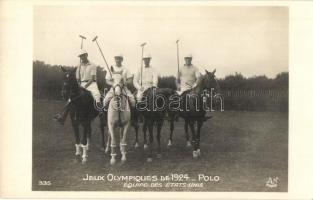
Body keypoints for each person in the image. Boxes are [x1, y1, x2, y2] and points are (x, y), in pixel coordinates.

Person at [54, 49, 102, 124]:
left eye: (83, 55)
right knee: (71, 98)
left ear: (86, 55)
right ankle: (63, 116)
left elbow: (92, 78)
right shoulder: (79, 66)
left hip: (92, 83)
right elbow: (77, 78)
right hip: (82, 83)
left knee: (97, 95)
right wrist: (79, 84)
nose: (82, 57)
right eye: (80, 56)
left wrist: (85, 86)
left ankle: (101, 113)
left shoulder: (93, 65)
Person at [176, 54, 212, 120]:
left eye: (189, 58)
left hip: (193, 88)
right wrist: (178, 86)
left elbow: (198, 77)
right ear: (185, 59)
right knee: (176, 99)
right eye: (186, 58)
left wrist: (195, 85)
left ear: (191, 59)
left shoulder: (195, 68)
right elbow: (177, 79)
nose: (188, 60)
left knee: (203, 97)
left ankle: (202, 113)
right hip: (183, 88)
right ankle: (177, 113)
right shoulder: (180, 68)